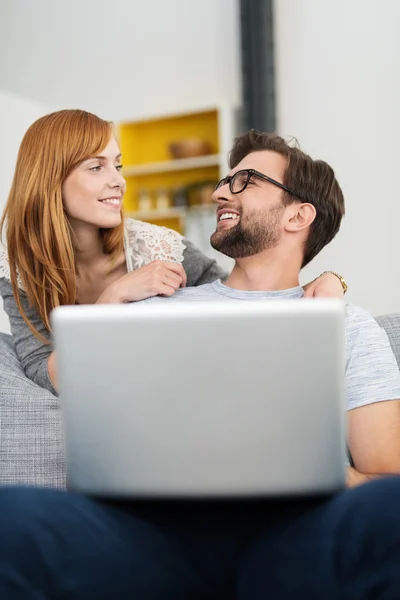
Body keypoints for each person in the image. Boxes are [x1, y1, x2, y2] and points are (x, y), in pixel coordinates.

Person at [3, 127, 398, 599]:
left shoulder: (347, 326)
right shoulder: (152, 306)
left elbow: (383, 476)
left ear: (299, 214)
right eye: (223, 181)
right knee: (12, 516)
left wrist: (309, 463)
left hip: (295, 534)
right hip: (155, 539)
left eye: (244, 181)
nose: (217, 193)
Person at [0, 110, 344, 395]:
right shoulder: (17, 268)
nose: (119, 181)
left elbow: (241, 296)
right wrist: (112, 299)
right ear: (49, 179)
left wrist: (330, 280)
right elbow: (42, 375)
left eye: (117, 166)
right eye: (95, 167)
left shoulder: (158, 248)